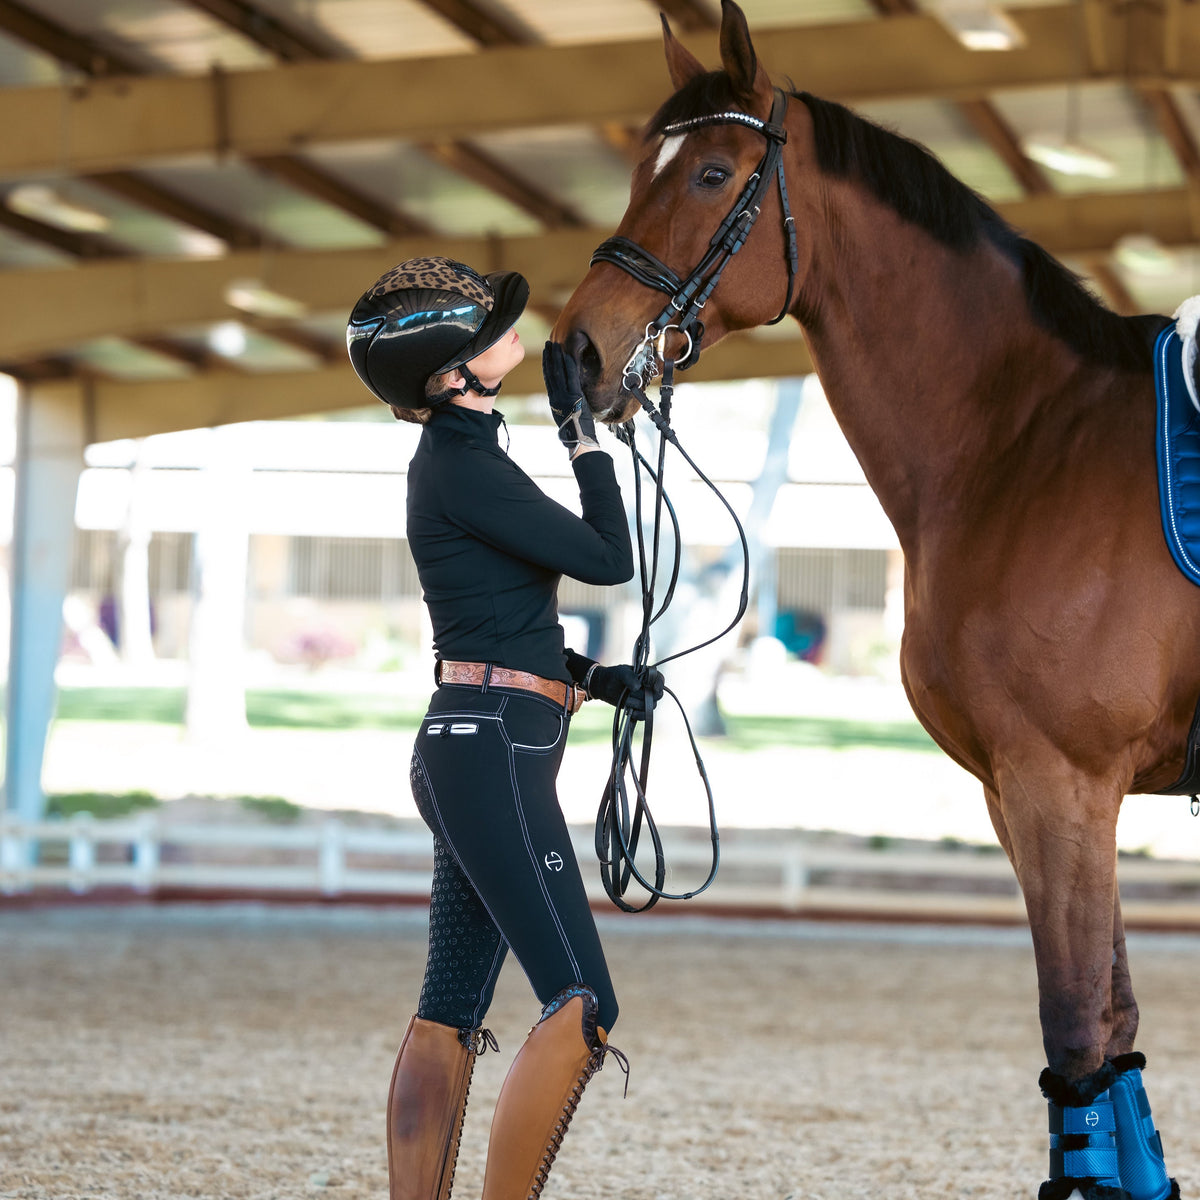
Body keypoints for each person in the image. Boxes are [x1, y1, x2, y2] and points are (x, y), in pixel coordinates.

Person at [346, 256, 660, 1200]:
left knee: (451, 1005)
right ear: (451, 376)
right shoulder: (462, 465)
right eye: (487, 332)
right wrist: (582, 436)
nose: (508, 333)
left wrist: (592, 678)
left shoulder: (464, 460)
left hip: (477, 741)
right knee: (583, 1000)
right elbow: (608, 557)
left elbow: (497, 619)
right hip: (491, 750)